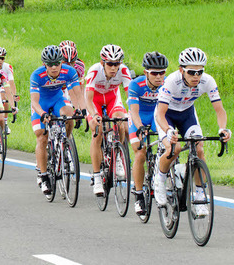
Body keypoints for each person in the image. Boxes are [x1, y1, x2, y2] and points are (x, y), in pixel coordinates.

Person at [153, 48, 231, 216]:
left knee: (199, 148)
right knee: (174, 149)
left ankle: (199, 194)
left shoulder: (207, 81)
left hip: (187, 114)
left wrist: (222, 129)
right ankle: (159, 180)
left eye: (200, 71)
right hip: (167, 115)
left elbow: (219, 110)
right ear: (181, 70)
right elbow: (160, 114)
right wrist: (168, 131)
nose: (196, 76)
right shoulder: (172, 82)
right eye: (191, 72)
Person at [30, 45, 85, 195]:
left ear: (61, 62)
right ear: (44, 65)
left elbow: (78, 94)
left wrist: (82, 110)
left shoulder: (69, 72)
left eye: (57, 63)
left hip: (57, 100)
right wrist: (42, 114)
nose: (54, 67)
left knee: (69, 114)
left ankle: (65, 144)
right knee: (42, 136)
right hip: (40, 103)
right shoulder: (37, 75)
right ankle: (43, 175)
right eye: (50, 64)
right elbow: (34, 102)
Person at [85, 44, 132, 196]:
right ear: (102, 63)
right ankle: (97, 177)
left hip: (112, 98)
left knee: (121, 122)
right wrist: (94, 115)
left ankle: (118, 155)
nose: (113, 68)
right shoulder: (94, 71)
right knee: (97, 132)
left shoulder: (123, 71)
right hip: (95, 101)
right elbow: (88, 98)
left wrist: (130, 115)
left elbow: (131, 96)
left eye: (116, 64)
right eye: (110, 64)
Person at [127, 51, 168, 216]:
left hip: (157, 115)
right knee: (140, 152)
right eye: (154, 73)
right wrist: (140, 127)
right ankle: (138, 194)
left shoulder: (167, 84)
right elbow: (134, 112)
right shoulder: (136, 85)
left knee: (169, 146)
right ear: (146, 73)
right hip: (140, 117)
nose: (159, 77)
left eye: (162, 72)